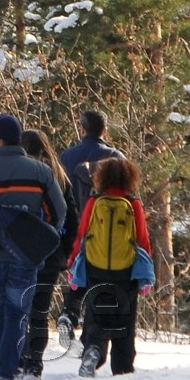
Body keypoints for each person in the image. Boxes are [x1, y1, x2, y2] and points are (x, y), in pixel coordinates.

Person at [0, 114, 66, 380]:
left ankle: (2, 368)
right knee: (17, 312)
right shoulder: (41, 172)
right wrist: (42, 234)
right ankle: (6, 371)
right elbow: (58, 212)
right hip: (25, 255)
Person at [67, 157, 154, 377]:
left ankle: (93, 352)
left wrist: (73, 263)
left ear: (101, 178)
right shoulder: (133, 204)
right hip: (125, 270)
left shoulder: (95, 202)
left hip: (96, 266)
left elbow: (82, 234)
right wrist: (146, 272)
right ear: (129, 178)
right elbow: (142, 240)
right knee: (125, 316)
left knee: (97, 313)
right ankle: (123, 365)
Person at [56, 109, 125, 346]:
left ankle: (69, 313)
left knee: (78, 273)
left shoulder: (66, 157)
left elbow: (58, 193)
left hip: (74, 224)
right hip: (105, 228)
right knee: (101, 277)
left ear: (82, 129)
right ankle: (90, 328)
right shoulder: (116, 157)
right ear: (105, 130)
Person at [16, 129, 79, 380]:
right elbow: (72, 219)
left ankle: (19, 359)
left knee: (19, 308)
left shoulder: (20, 173)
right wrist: (64, 249)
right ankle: (35, 365)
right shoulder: (59, 176)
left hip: (21, 252)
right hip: (51, 253)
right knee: (39, 311)